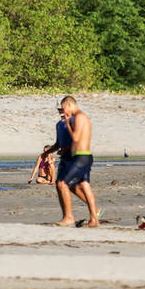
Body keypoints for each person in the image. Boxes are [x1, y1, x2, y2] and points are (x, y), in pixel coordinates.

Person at [41, 95, 99, 227]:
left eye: (63, 109)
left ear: (68, 105)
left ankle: (68, 217)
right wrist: (48, 152)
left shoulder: (79, 117)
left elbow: (76, 138)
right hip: (82, 156)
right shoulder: (78, 117)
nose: (63, 112)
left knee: (61, 183)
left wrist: (67, 122)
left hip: (80, 156)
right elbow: (59, 142)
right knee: (84, 185)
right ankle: (94, 219)